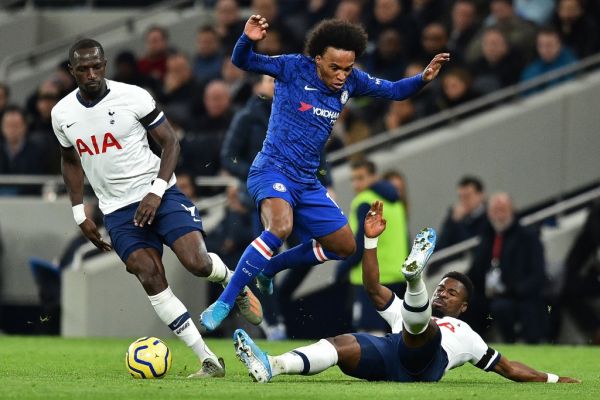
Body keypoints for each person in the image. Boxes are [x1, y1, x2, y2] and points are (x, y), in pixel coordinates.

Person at [199, 15, 450, 331]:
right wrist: (247, 38)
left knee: (345, 247)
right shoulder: (292, 67)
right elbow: (242, 60)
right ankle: (226, 301)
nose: (342, 75)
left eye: (347, 68)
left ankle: (268, 269)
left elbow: (395, 91)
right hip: (272, 169)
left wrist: (423, 78)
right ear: (317, 58)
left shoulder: (353, 81)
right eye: (335, 67)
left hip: (307, 181)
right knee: (279, 228)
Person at [50, 38, 263, 378]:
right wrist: (79, 213)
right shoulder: (61, 113)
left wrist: (157, 191)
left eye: (96, 66)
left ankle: (230, 279)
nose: (91, 74)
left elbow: (171, 143)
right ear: (71, 70)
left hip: (160, 193)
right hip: (117, 210)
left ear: (104, 65)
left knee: (197, 263)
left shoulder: (133, 96)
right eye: (83, 68)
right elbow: (69, 160)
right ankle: (208, 359)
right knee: (150, 277)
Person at [233, 201, 579, 384]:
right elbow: (371, 287)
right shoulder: (404, 312)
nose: (444, 292)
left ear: (463, 307)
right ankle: (272, 365)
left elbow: (508, 368)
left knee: (422, 329)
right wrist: (370, 241)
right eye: (442, 286)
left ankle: (414, 279)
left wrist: (553, 378)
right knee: (339, 344)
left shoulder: (465, 333)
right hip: (392, 355)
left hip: (425, 363)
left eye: (451, 292)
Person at [335, 159, 408, 334]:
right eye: (353, 179)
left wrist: (341, 269)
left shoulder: (364, 201)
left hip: (371, 278)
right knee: (397, 333)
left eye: (360, 178)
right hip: (398, 277)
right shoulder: (396, 201)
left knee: (369, 334)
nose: (356, 184)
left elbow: (359, 244)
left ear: (374, 177)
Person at [467, 192, 547, 343]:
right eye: (495, 210)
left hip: (519, 297)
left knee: (503, 307)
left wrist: (511, 290)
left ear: (512, 210)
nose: (498, 215)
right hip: (489, 296)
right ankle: (472, 346)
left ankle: (513, 342)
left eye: (502, 210)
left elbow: (538, 275)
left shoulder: (528, 237)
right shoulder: (486, 237)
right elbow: (475, 271)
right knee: (467, 305)